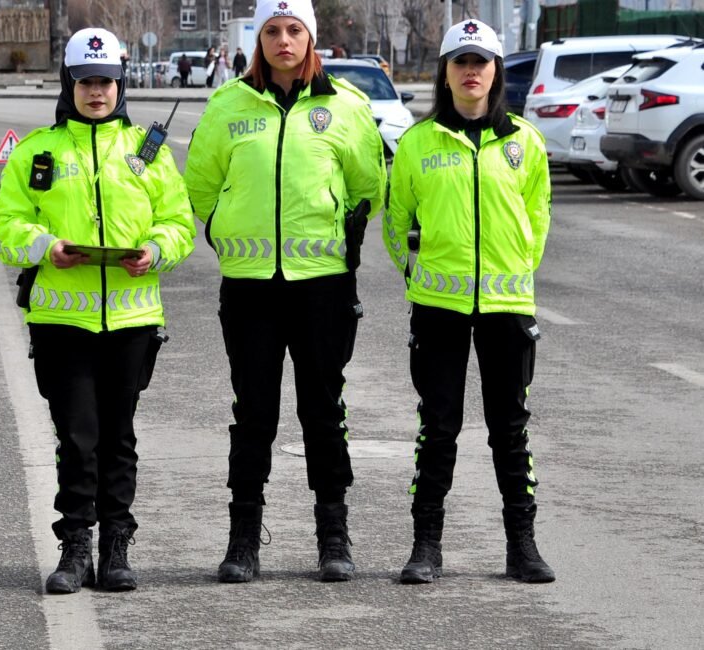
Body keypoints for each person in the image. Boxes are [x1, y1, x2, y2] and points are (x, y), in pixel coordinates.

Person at [0, 27, 195, 594]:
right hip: (62, 322)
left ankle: (116, 547)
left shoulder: (147, 153)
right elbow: (5, 225)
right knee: (77, 437)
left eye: (105, 82)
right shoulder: (38, 151)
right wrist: (43, 247)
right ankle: (75, 545)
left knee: (119, 436)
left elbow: (179, 223)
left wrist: (154, 251)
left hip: (130, 322)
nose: (96, 92)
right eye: (85, 82)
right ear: (69, 84)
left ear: (120, 84)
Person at [184, 0, 386, 584]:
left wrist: (340, 231)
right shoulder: (227, 105)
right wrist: (225, 228)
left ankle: (333, 536)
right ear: (258, 40)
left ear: (310, 38)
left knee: (324, 412)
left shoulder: (346, 108)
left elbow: (369, 186)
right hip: (250, 289)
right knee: (253, 415)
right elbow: (199, 186)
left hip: (322, 288)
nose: (283, 40)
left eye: (293, 29)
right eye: (271, 31)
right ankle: (243, 538)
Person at [382, 19, 555, 584]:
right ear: (446, 72)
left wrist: (515, 271)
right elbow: (396, 221)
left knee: (510, 428)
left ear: (496, 70)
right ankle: (426, 546)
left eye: (481, 61)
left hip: (506, 310)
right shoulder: (418, 142)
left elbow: (538, 218)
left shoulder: (523, 142)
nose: (471, 71)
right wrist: (420, 275)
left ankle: (522, 545)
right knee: (438, 427)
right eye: (461, 61)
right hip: (439, 308)